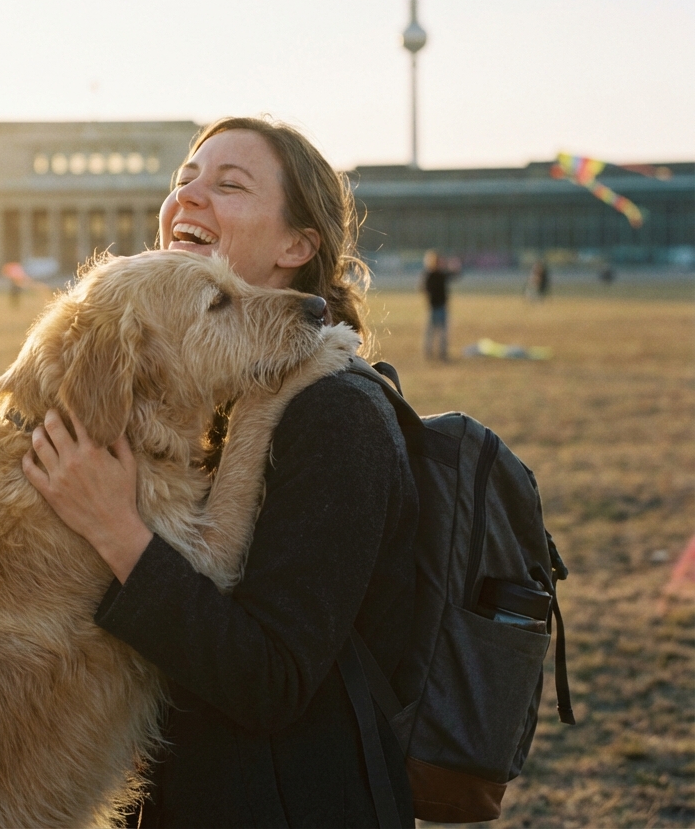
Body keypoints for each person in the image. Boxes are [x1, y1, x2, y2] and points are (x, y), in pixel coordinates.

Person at [21, 117, 418, 828]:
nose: (189, 198)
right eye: (185, 181)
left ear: (298, 245)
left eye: (229, 186)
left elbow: (271, 679)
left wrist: (117, 532)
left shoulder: (337, 414)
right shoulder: (204, 393)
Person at [420, 249, 460, 361]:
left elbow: (455, 275)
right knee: (432, 332)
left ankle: (442, 354)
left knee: (442, 332)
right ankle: (429, 353)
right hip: (434, 307)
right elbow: (424, 288)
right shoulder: (431, 275)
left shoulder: (441, 274)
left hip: (441, 306)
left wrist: (455, 267)